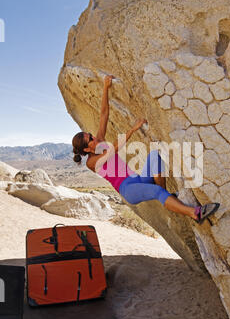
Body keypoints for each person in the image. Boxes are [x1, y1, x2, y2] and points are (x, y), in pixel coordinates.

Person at [72, 75, 219, 224]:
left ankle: (167, 197)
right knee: (156, 192)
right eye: (89, 139)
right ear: (86, 149)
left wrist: (105, 87)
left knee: (155, 154)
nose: (93, 137)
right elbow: (113, 150)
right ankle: (196, 214)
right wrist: (133, 129)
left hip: (138, 178)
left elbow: (104, 114)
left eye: (90, 134)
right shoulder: (91, 163)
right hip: (127, 189)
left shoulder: (100, 141)